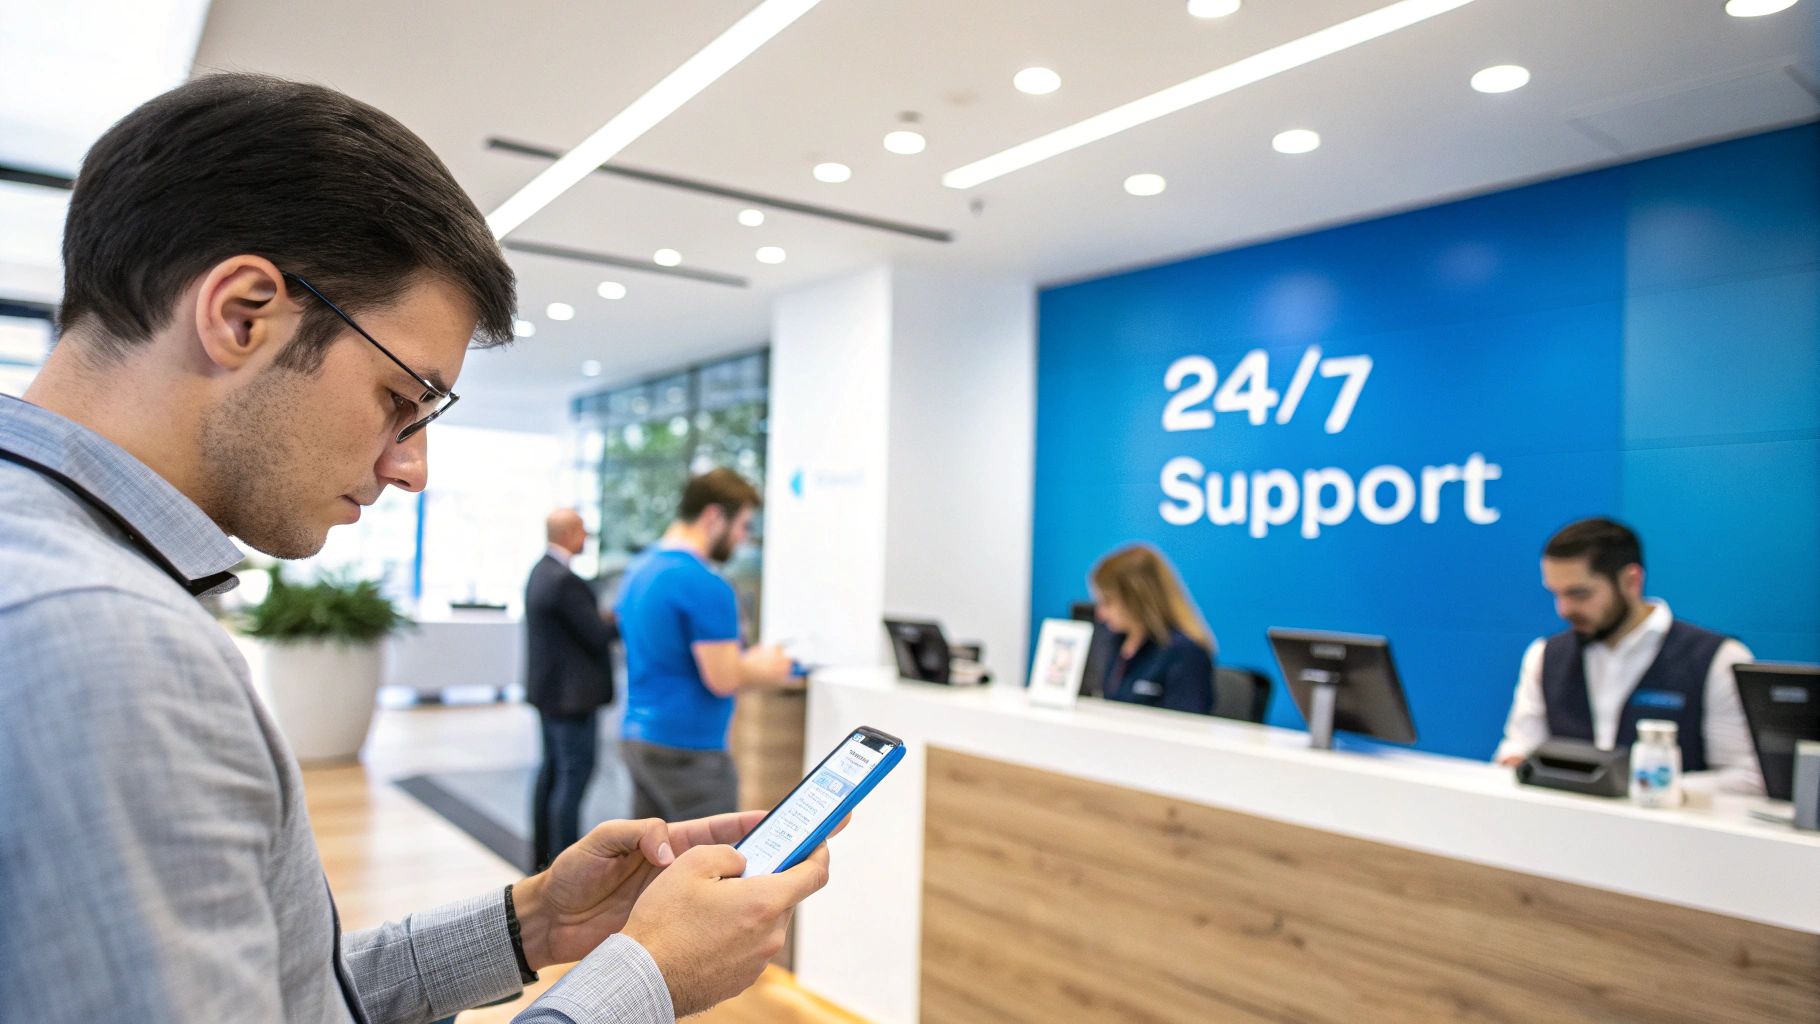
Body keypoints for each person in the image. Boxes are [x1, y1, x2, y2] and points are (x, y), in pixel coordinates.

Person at [0, 73, 829, 1024]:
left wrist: (532, 925)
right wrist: (646, 981)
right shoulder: (105, 640)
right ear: (242, 315)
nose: (411, 469)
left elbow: (287, 992)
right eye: (401, 399)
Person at [1493, 517, 1761, 793]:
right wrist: (1514, 763)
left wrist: (1648, 789)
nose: (1564, 609)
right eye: (1556, 594)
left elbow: (1747, 777)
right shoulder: (1544, 655)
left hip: (1673, 821)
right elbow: (1520, 747)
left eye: (1579, 594)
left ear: (1631, 581)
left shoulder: (1717, 659)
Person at [616, 469, 796, 820]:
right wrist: (770, 668)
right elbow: (723, 677)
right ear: (714, 516)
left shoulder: (640, 569)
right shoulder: (704, 583)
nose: (743, 538)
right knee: (712, 851)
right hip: (689, 750)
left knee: (651, 850)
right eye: (742, 525)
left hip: (639, 738)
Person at [526, 509, 617, 871]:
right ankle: (565, 867)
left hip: (550, 694)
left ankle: (543, 861)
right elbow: (595, 634)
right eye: (583, 531)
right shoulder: (566, 582)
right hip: (572, 699)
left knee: (552, 772)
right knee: (572, 776)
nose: (587, 538)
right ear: (570, 533)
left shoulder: (540, 572)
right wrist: (616, 620)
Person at [1088, 544, 1217, 714]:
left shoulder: (1185, 653)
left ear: (1137, 599)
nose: (1101, 614)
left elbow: (1186, 724)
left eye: (1108, 603)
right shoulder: (1116, 642)